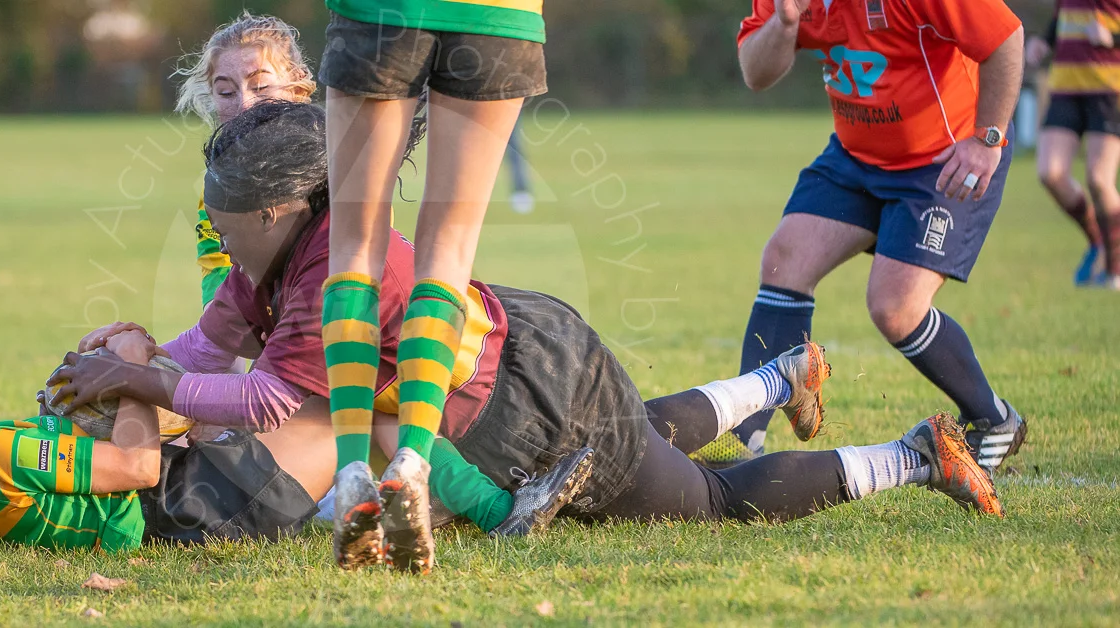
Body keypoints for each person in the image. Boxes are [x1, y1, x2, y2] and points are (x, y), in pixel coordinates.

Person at [55, 102, 1005, 573]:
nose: (216, 232)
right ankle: (778, 375)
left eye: (228, 216)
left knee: (707, 506)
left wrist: (139, 386)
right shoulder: (294, 248)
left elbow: (272, 400)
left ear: (280, 208)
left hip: (525, 400)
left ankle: (915, 457)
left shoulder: (331, 265)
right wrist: (137, 361)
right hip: (521, 366)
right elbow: (217, 336)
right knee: (641, 444)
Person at [0, 230, 594, 550]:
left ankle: (453, 502)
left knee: (323, 404)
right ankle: (503, 508)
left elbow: (64, 465)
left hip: (187, 501)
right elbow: (137, 464)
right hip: (193, 509)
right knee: (354, 403)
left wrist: (102, 385)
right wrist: (142, 374)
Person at [693, 0, 1030, 473]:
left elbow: (1006, 38)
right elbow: (756, 71)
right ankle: (743, 442)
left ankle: (994, 419)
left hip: (944, 158)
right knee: (784, 260)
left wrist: (987, 138)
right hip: (857, 156)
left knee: (895, 308)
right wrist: (786, 21)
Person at [313, 0, 551, 572]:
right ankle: (414, 466)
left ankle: (352, 471)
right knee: (447, 251)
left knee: (354, 249)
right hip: (498, 18)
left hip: (383, 12)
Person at [174, 13, 317, 306]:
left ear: (297, 89)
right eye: (226, 92)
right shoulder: (217, 186)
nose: (245, 104)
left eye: (261, 87)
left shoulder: (337, 166)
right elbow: (218, 274)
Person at [1027, 10, 1120, 289]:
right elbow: (1066, 12)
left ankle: (1115, 270)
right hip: (1066, 86)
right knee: (1050, 173)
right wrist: (1045, 40)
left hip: (1108, 87)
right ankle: (1098, 241)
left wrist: (1113, 37)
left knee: (1099, 181)